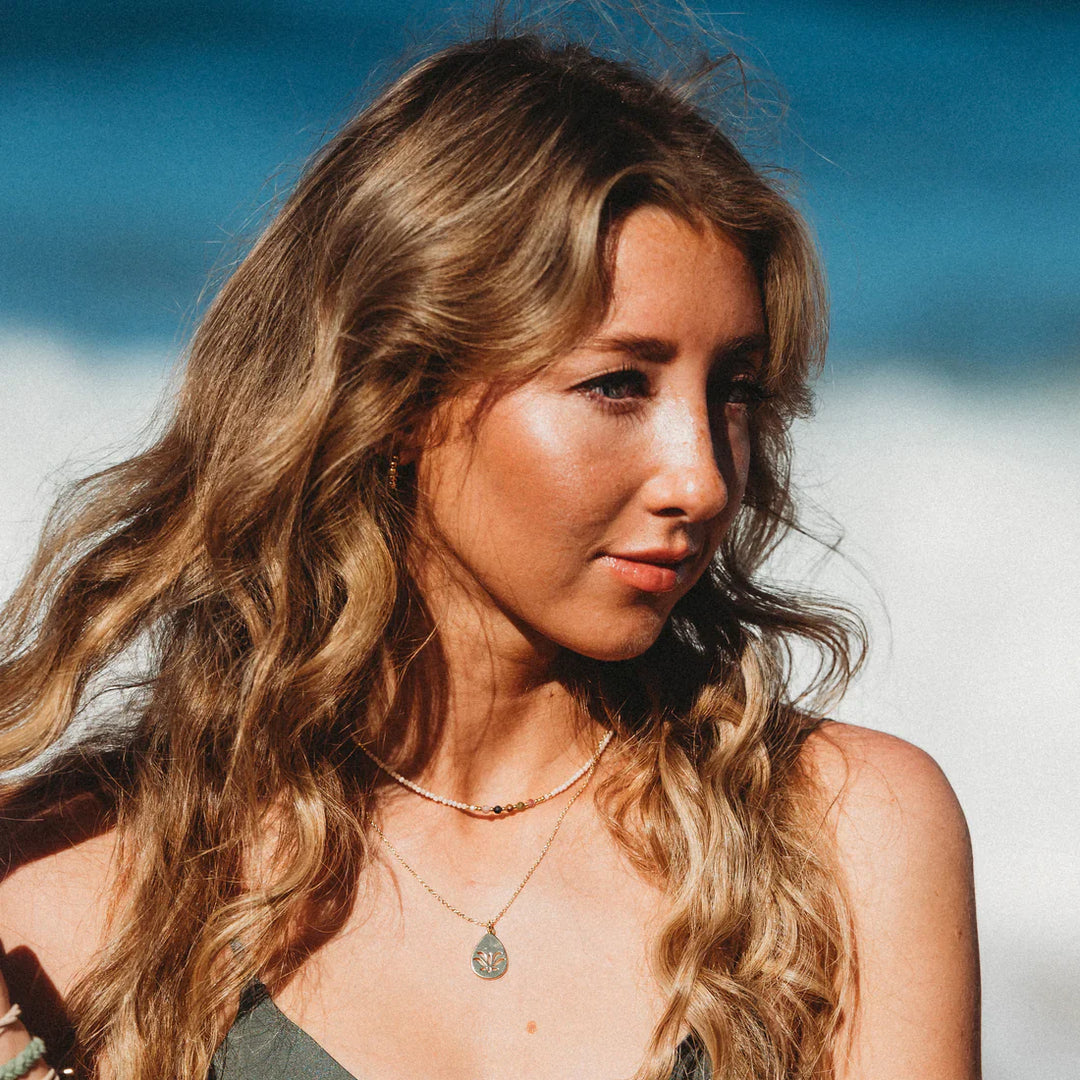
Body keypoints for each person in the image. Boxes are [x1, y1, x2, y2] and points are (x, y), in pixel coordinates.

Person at [0, 24, 979, 1080]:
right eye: (618, 385)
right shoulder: (83, 877)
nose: (702, 480)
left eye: (732, 391)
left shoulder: (842, 842)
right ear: (397, 392)